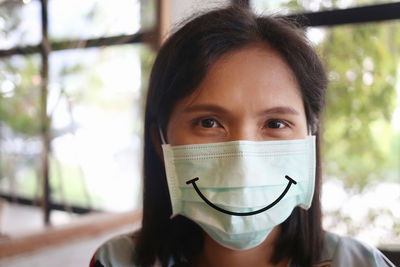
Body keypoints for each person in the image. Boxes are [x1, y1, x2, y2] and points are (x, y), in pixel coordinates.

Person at [90, 5, 395, 267]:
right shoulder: (116, 261)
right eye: (209, 122)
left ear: (310, 137)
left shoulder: (360, 263)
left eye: (275, 124)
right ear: (160, 140)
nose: (243, 160)